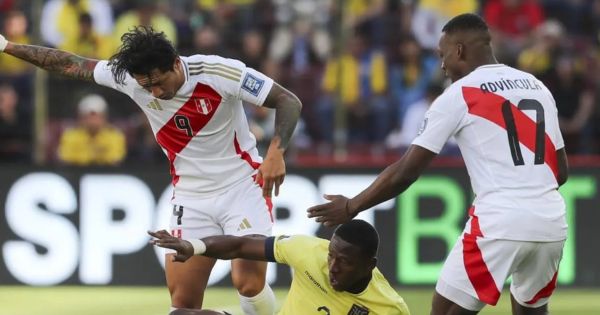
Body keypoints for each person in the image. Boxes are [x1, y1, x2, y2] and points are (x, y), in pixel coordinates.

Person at [0, 25, 302, 315]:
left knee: (248, 283)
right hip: (191, 197)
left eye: (158, 82)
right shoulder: (129, 78)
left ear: (175, 64)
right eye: (147, 86)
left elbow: (288, 100)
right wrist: (6, 46)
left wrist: (276, 151)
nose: (154, 93)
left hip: (242, 187)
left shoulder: (219, 72)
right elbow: (69, 63)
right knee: (182, 304)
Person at [308, 13, 568, 315]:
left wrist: (352, 206)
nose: (442, 66)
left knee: (443, 311)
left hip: (499, 219)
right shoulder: (537, 87)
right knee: (532, 310)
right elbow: (560, 171)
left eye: (442, 55)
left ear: (459, 51)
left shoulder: (460, 94)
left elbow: (406, 171)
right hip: (551, 222)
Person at [149, 219, 411, 315]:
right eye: (332, 255)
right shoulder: (309, 251)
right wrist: (194, 246)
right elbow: (241, 245)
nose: (332, 266)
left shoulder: (389, 307)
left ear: (369, 265)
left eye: (345, 262)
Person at [57, 94, 127, 166]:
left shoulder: (114, 135)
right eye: (89, 117)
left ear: (104, 118)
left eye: (97, 117)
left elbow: (115, 160)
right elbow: (66, 159)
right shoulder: (71, 135)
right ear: (81, 118)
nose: (93, 121)